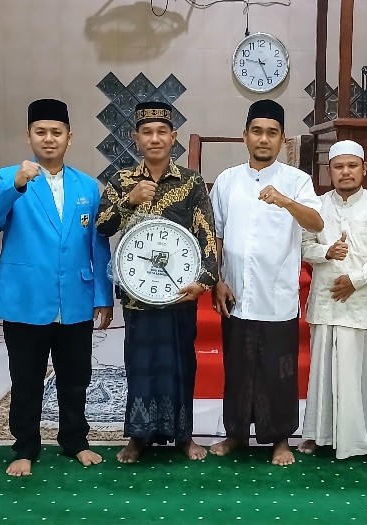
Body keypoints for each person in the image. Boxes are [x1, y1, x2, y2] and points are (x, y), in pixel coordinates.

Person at [0, 99, 113, 477]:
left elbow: (98, 245)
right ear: (29, 136)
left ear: (69, 137)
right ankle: (25, 447)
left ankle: (75, 441)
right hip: (26, 297)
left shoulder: (88, 186)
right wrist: (16, 185)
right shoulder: (8, 177)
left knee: (76, 377)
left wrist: (103, 296)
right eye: (41, 132)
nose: (49, 139)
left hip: (75, 298)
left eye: (56, 132)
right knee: (26, 379)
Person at [96, 101, 217, 463]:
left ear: (173, 137)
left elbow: (207, 235)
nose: (154, 138)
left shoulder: (191, 182)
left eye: (161, 131)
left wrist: (204, 280)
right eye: (147, 132)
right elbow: (102, 227)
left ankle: (183, 436)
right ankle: (138, 436)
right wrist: (129, 201)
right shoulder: (122, 181)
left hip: (180, 292)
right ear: (136, 138)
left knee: (180, 363)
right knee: (140, 364)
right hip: (138, 293)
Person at [209, 99, 324, 466]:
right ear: (245, 136)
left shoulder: (296, 181)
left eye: (272, 133)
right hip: (236, 294)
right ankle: (235, 435)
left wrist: (286, 201)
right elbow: (216, 235)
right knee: (237, 369)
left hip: (277, 297)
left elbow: (317, 222)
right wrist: (217, 279)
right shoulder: (227, 180)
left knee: (279, 371)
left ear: (282, 139)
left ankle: (280, 440)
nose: (263, 138)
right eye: (256, 131)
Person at [298, 140, 367, 465]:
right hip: (326, 301)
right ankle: (319, 433)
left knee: (363, 375)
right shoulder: (316, 206)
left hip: (362, 303)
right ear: (329, 171)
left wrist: (356, 280)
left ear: (364, 168)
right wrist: (325, 252)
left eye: (352, 166)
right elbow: (303, 245)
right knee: (322, 373)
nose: (345, 172)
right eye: (338, 166)